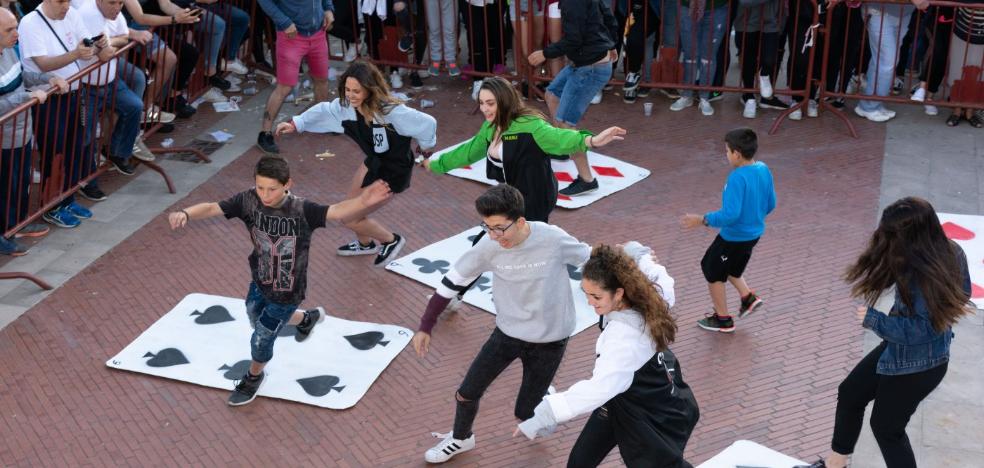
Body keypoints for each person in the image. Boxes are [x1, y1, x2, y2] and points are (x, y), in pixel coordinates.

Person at [167, 156, 394, 405]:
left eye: (272, 189)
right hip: (260, 280)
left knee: (261, 336)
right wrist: (185, 213)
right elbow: (212, 208)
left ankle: (253, 377)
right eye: (260, 187)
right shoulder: (247, 200)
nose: (265, 194)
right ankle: (306, 319)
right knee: (254, 317)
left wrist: (363, 201)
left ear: (288, 184)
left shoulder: (301, 209)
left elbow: (336, 211)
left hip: (288, 292)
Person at [411, 184, 592, 464]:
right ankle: (461, 439)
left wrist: (636, 267)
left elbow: (594, 260)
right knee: (466, 393)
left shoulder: (553, 239)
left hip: (550, 340)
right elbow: (451, 283)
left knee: (525, 414)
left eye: (499, 228)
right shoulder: (488, 245)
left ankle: (541, 400)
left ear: (520, 221)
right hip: (507, 334)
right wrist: (425, 325)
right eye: (487, 227)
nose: (494, 236)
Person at [797, 197, 971, 468]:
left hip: (920, 364)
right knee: (851, 393)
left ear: (911, 236)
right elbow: (963, 294)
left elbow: (921, 330)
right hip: (902, 350)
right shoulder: (951, 250)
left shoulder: (923, 274)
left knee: (886, 428)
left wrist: (875, 320)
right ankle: (836, 464)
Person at [515, 244, 698, 468]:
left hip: (647, 410)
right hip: (618, 399)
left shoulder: (624, 338)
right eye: (586, 294)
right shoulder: (648, 295)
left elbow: (600, 387)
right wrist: (638, 254)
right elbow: (662, 278)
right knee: (579, 463)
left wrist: (547, 413)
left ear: (619, 292)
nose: (590, 302)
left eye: (596, 296)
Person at [275, 60, 437, 267]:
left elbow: (428, 123)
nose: (350, 95)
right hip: (373, 162)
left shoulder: (391, 112)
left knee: (348, 217)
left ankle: (391, 240)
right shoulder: (346, 108)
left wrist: (425, 149)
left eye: (356, 91)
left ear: (370, 90)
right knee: (350, 205)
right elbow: (325, 110)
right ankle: (365, 244)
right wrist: (296, 123)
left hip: (394, 171)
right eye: (347, 89)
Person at [423, 76, 626, 224]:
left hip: (535, 198)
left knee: (526, 247)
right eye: (482, 103)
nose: (484, 109)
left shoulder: (530, 125)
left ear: (504, 101)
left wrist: (593, 140)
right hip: (512, 196)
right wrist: (437, 164)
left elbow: (561, 138)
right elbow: (469, 151)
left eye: (490, 103)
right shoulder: (490, 126)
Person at [681, 127, 775, 333]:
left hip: (733, 237)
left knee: (712, 269)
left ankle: (723, 319)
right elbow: (771, 203)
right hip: (754, 234)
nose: (726, 155)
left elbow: (730, 215)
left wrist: (702, 219)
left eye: (727, 151)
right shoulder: (763, 169)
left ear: (737, 154)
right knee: (731, 267)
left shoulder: (736, 178)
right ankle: (748, 298)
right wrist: (754, 218)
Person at [527, 0, 619, 197]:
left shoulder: (571, 3)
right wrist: (611, 44)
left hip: (589, 68)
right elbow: (609, 19)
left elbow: (573, 40)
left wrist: (544, 53)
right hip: (585, 62)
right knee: (552, 95)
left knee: (565, 123)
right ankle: (562, 148)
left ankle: (587, 180)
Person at [0, 6, 67, 256]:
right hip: (4, 140)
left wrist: (47, 79)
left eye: (16, 26)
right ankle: (5, 233)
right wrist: (26, 98)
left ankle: (17, 224)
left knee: (19, 183)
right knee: (6, 185)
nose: (16, 33)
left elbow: (24, 76)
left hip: (22, 133)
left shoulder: (9, 52)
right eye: (9, 29)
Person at [256, 0, 335, 154]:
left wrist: (328, 8)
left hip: (318, 33)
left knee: (321, 80)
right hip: (291, 36)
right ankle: (264, 134)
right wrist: (284, 22)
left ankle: (322, 120)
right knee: (284, 87)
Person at [853, 0, 929, 122]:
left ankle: (873, 103)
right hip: (880, 10)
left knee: (882, 60)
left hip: (902, 12)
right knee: (887, 62)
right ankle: (869, 106)